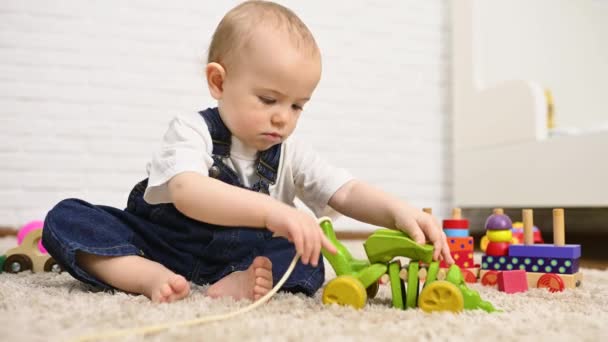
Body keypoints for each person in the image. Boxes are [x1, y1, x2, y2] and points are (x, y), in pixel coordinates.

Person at [42, 0, 453, 304]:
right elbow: (187, 190)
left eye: (296, 106)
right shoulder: (192, 130)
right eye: (269, 99)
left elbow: (343, 191)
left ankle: (238, 284)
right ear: (219, 83)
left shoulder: (290, 153)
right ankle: (145, 276)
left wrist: (400, 211)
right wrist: (275, 212)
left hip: (238, 259)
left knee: (307, 255)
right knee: (68, 218)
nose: (282, 119)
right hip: (159, 245)